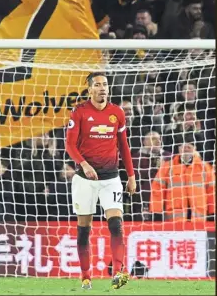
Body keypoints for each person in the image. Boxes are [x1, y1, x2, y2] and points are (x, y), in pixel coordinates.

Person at [65, 72, 136, 290]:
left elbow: (123, 146)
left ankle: (118, 273)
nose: (103, 88)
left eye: (105, 84)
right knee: (84, 229)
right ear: (90, 90)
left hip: (111, 178)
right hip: (84, 179)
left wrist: (131, 175)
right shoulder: (79, 113)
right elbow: (69, 145)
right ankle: (86, 275)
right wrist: (84, 165)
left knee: (116, 224)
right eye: (97, 85)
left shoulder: (117, 113)